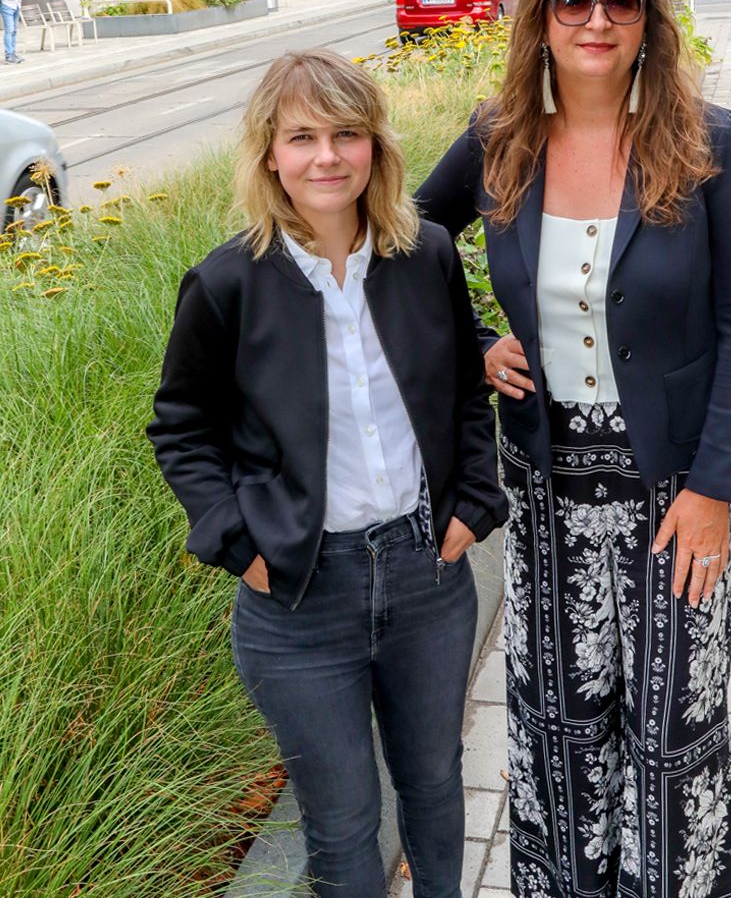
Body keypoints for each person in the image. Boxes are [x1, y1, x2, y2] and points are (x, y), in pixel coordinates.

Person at [415, 0, 731, 897]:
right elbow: (411, 241)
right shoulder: (499, 141)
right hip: (547, 494)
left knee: (670, 729)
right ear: (540, 18)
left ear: (649, 18)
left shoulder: (709, 144)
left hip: (672, 498)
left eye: (620, 0)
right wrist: (475, 339)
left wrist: (713, 486)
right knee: (561, 718)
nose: (596, 19)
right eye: (573, 0)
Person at [148, 49, 505, 898]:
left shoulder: (423, 259)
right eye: (301, 136)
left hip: (427, 578)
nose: (326, 157)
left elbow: (463, 387)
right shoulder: (228, 282)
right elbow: (181, 429)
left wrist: (473, 505)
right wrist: (239, 542)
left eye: (347, 134)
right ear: (268, 153)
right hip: (300, 600)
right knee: (341, 823)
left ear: (375, 147)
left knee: (433, 786)